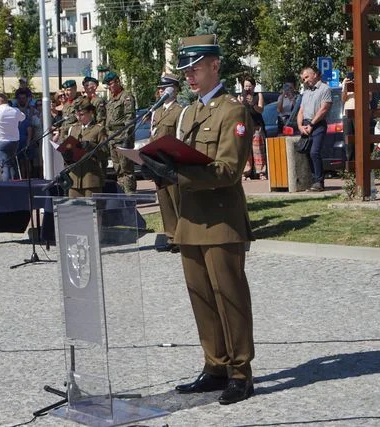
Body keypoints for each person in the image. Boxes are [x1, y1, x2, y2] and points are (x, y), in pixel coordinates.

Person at [140, 34, 255, 405]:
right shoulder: (189, 112)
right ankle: (215, 365)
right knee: (201, 298)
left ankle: (240, 373)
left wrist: (177, 175)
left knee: (229, 297)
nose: (189, 76)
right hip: (189, 220)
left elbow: (228, 170)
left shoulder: (231, 111)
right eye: (186, 70)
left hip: (221, 221)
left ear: (215, 66)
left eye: (196, 68)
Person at [149, 74, 183, 253]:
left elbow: (180, 137)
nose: (161, 90)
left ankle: (183, 238)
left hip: (171, 163)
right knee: (164, 201)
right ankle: (171, 236)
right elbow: (152, 134)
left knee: (177, 200)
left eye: (165, 87)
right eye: (160, 87)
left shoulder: (180, 110)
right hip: (157, 163)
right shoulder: (157, 111)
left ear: (174, 89)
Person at [61, 98, 108, 198]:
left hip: (90, 179)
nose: (79, 118)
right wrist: (66, 154)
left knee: (93, 211)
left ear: (90, 112)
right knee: (75, 210)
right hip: (74, 178)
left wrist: (91, 146)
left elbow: (105, 153)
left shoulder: (98, 129)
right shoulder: (73, 129)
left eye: (82, 114)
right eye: (77, 114)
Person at [297, 66, 332, 192]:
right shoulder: (306, 92)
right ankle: (313, 181)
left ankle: (319, 181)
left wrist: (311, 124)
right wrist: (300, 126)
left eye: (306, 77)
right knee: (307, 153)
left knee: (314, 152)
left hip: (318, 125)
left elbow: (324, 109)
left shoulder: (325, 89)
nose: (305, 81)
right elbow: (301, 111)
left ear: (315, 74)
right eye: (303, 79)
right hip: (306, 125)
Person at [103, 71, 136, 193]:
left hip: (122, 138)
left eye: (110, 84)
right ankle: (122, 194)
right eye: (108, 85)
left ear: (117, 82)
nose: (109, 87)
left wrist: (127, 138)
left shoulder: (126, 97)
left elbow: (130, 119)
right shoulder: (111, 100)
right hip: (112, 139)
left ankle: (129, 196)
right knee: (118, 169)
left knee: (126, 169)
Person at [238, 75, 266, 180]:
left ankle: (261, 172)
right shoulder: (240, 97)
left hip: (256, 126)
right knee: (246, 150)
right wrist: (240, 104)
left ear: (254, 86)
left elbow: (261, 110)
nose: (247, 88)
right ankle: (245, 172)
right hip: (244, 127)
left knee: (258, 150)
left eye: (249, 86)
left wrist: (252, 104)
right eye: (245, 86)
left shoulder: (258, 96)